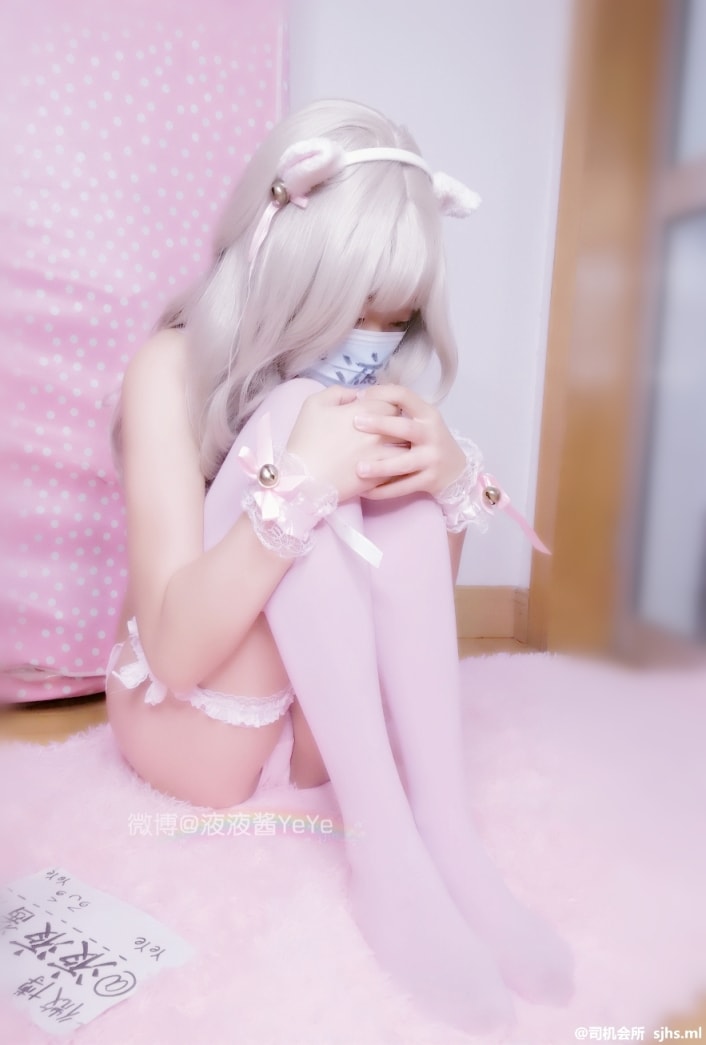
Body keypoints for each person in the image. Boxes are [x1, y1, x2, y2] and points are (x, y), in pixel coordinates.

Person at [105, 98, 573, 1034]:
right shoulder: (169, 367)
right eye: (359, 308)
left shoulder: (368, 388)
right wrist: (300, 485)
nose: (375, 338)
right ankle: (386, 856)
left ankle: (444, 833)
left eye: (397, 316)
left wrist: (449, 483)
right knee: (302, 424)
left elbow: (405, 617)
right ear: (291, 271)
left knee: (389, 440)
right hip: (195, 728)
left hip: (316, 737)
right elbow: (176, 652)